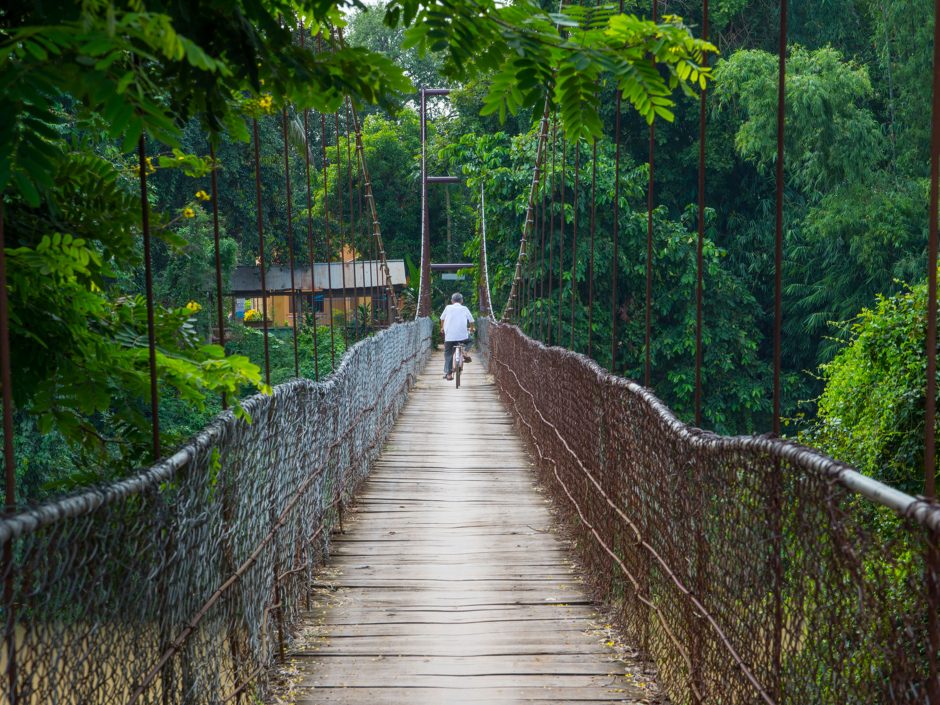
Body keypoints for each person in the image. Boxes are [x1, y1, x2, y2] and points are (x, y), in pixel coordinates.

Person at [440, 292, 475, 380]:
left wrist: (442, 328)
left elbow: (442, 318)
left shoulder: (448, 308)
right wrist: (471, 329)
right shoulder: (465, 308)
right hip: (462, 337)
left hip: (449, 337)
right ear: (462, 301)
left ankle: (449, 374)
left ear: (452, 301)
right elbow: (471, 321)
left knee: (448, 354)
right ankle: (465, 351)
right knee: (471, 340)